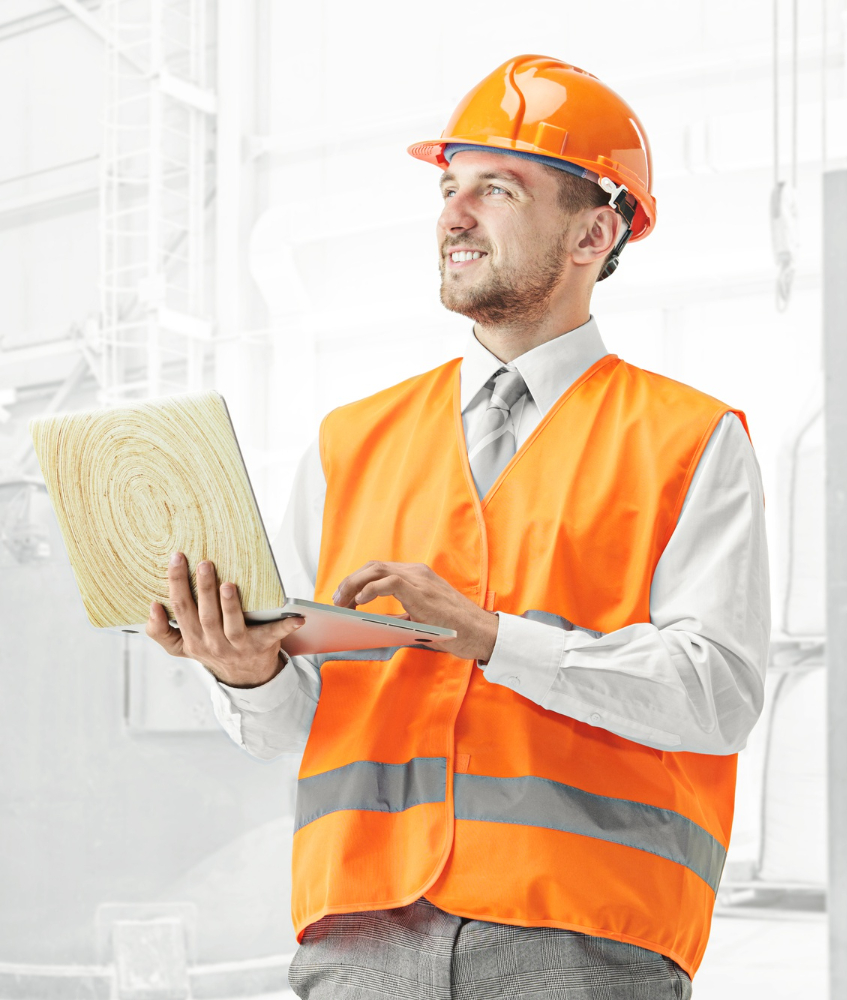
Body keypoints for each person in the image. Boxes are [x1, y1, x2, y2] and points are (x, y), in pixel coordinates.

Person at [145, 55, 771, 998]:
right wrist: (248, 671)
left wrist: (489, 637)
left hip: (583, 936)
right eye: (448, 188)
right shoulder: (349, 442)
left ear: (594, 233)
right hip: (359, 936)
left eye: (496, 188)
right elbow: (296, 724)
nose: (453, 215)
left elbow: (716, 694)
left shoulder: (690, 440)